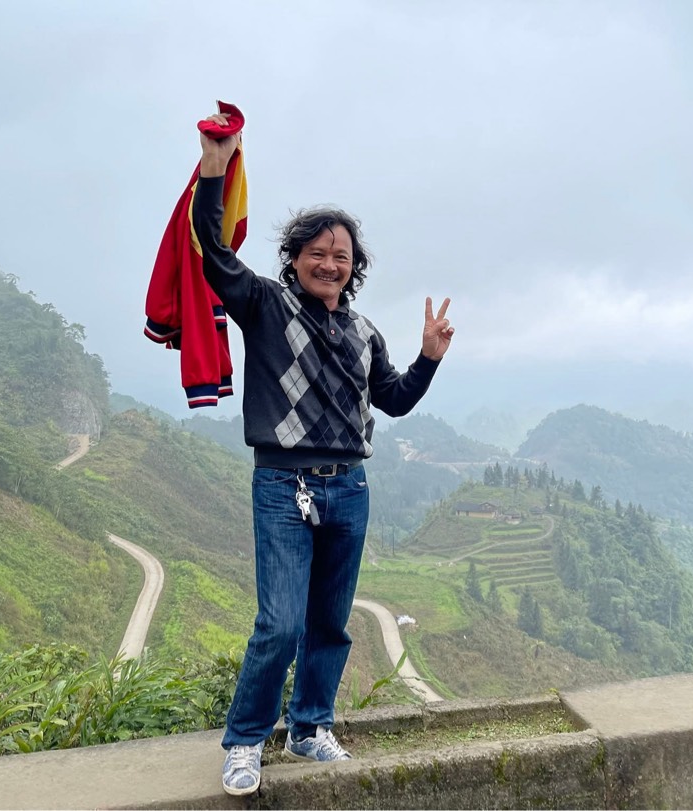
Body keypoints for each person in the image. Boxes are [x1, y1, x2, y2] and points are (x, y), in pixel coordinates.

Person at [193, 112, 454, 797]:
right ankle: (246, 740)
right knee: (279, 624)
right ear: (295, 257)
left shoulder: (364, 331)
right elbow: (212, 251)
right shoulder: (265, 305)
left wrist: (428, 357)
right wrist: (216, 167)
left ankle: (310, 727)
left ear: (353, 267)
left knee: (329, 623)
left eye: (341, 256)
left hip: (349, 488)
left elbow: (393, 400)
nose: (330, 263)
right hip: (283, 485)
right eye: (317, 251)